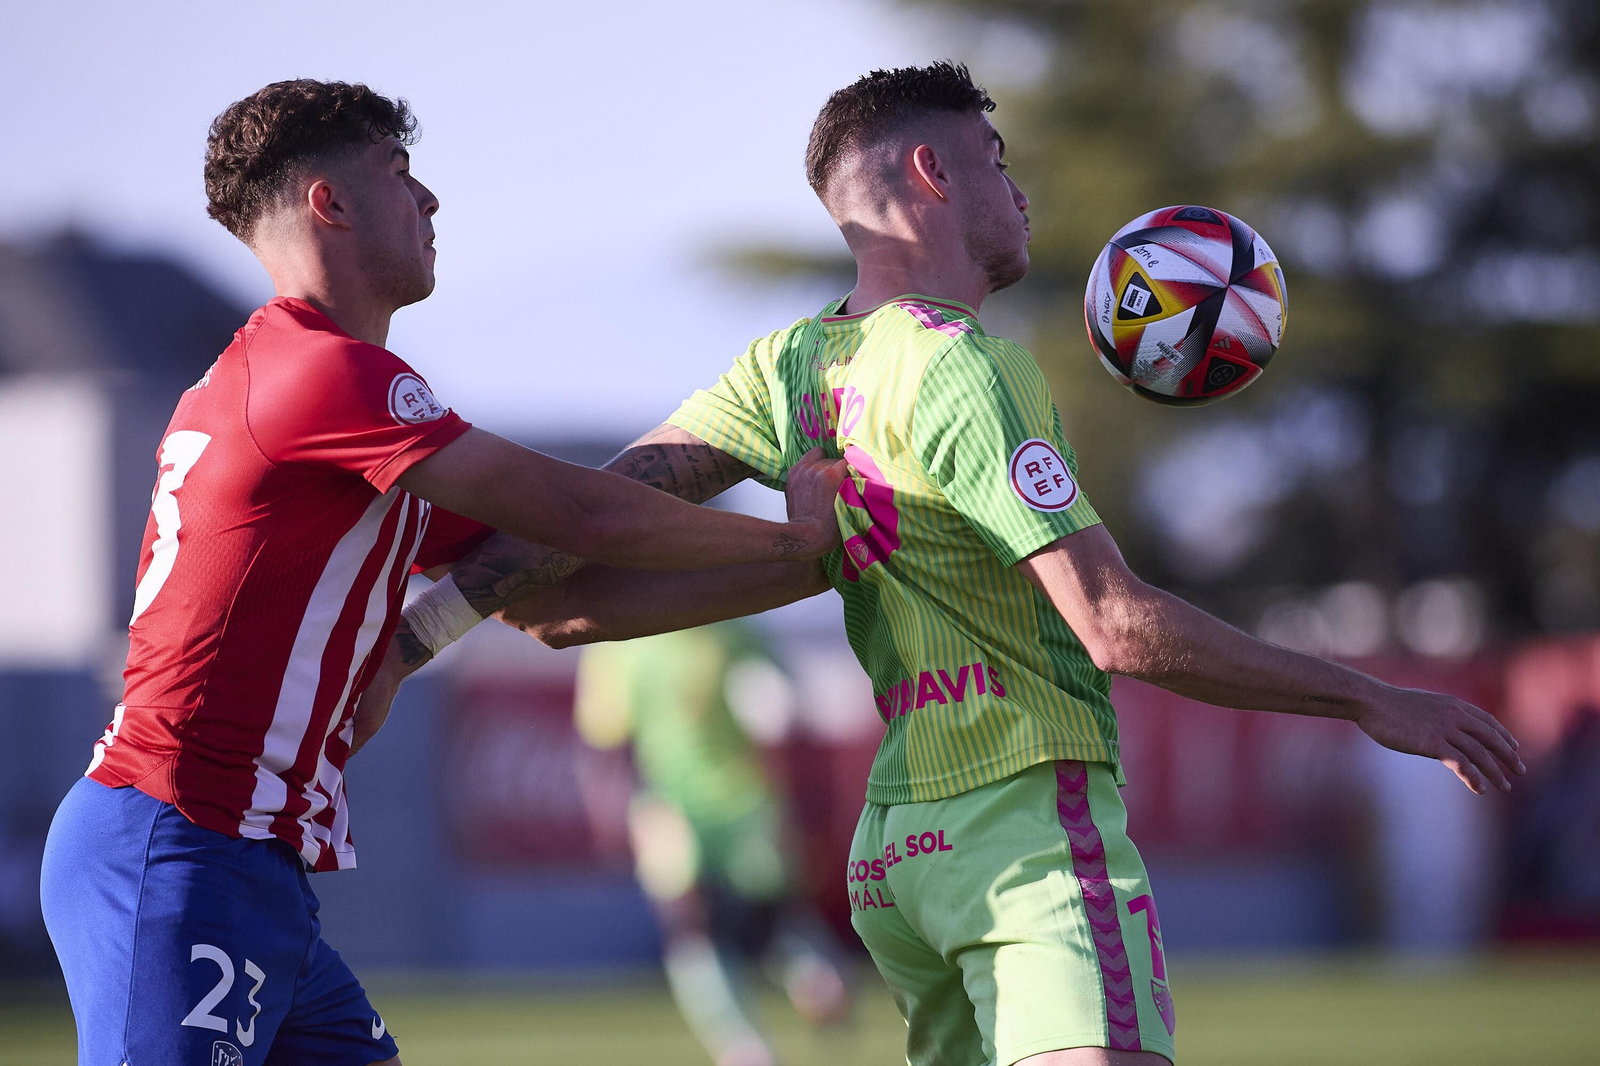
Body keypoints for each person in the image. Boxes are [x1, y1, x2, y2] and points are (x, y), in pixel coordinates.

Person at [362, 63, 1524, 1066]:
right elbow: (1112, 625)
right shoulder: (966, 365)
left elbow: (562, 598)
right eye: (999, 162)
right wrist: (1368, 696)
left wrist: (413, 637)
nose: (1020, 195)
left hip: (898, 864)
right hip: (1025, 826)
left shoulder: (786, 370)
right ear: (930, 172)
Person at [38, 78, 845, 1066]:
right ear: (327, 203)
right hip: (174, 847)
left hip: (251, 866)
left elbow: (557, 598)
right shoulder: (322, 374)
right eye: (400, 173)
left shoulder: (336, 402)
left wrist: (823, 566)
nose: (429, 202)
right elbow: (579, 511)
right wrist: (786, 541)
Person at [573, 622, 849, 1066]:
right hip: (719, 804)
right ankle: (795, 996)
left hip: (709, 805)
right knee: (702, 924)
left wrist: (610, 818)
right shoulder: (730, 628)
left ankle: (769, 1018)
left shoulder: (626, 642)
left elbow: (606, 747)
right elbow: (788, 721)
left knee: (719, 928)